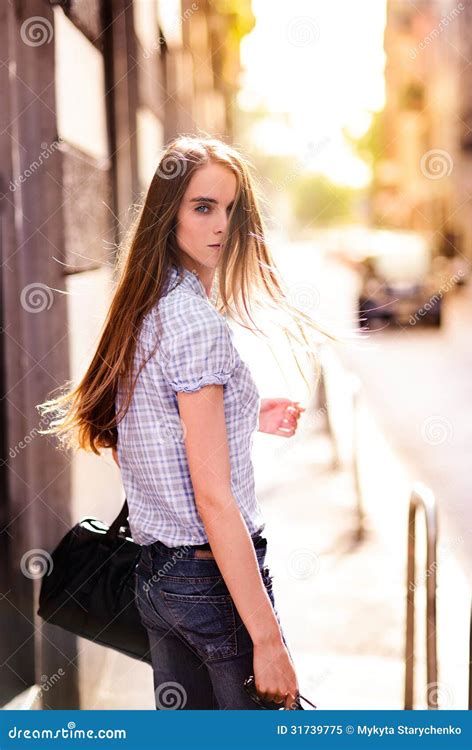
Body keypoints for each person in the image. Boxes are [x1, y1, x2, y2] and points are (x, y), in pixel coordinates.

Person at [37, 135, 341, 710]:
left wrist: (242, 415)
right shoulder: (196, 323)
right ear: (166, 212)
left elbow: (143, 435)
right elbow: (213, 498)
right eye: (203, 207)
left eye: (231, 209)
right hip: (211, 586)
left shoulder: (145, 307)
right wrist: (269, 640)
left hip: (158, 584)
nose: (221, 225)